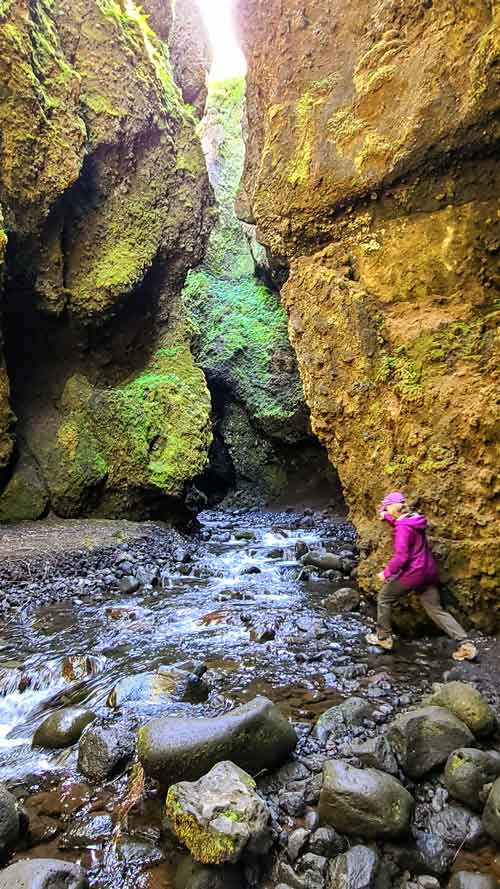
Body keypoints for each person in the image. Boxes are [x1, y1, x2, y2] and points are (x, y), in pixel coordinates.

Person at [365, 492, 477, 661]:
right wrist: (386, 515)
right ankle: (465, 644)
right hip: (428, 572)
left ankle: (383, 638)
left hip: (413, 574)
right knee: (436, 610)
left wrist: (387, 572)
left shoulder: (402, 527)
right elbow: (400, 521)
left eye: (386, 507)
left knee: (384, 598)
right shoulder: (414, 519)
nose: (384, 509)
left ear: (393, 508)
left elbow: (401, 556)